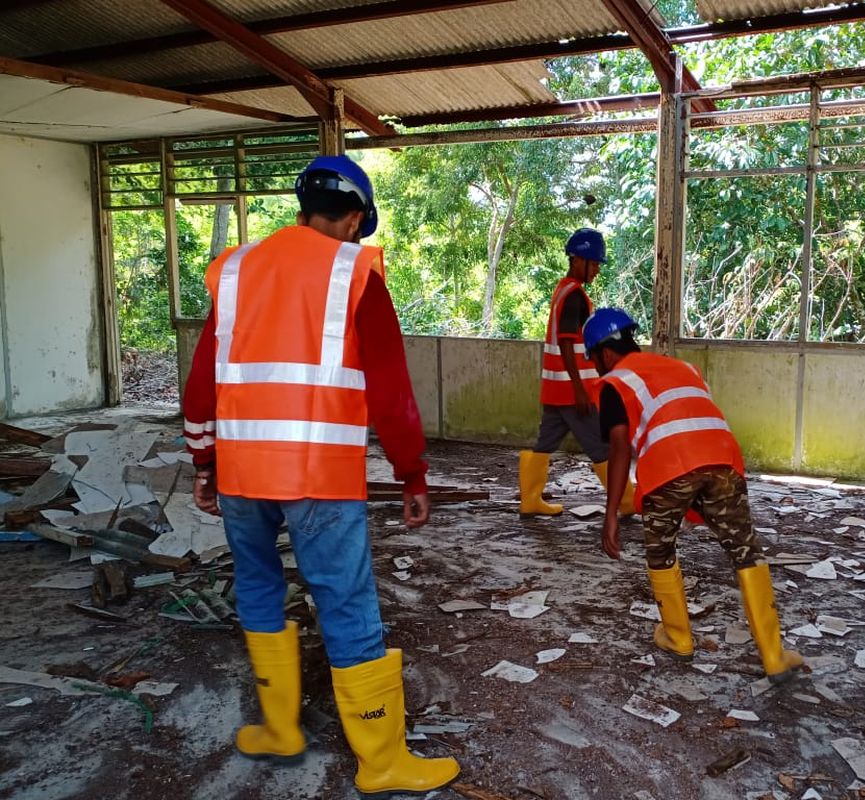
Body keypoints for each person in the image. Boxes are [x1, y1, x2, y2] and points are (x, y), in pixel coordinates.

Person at [182, 155, 459, 794]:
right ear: (357, 217)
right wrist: (412, 474)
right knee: (345, 600)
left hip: (240, 471)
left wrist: (203, 461)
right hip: (319, 474)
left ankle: (280, 729)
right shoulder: (356, 270)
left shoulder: (235, 269)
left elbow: (202, 385)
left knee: (256, 587)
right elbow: (391, 392)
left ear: (305, 205)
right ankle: (382, 761)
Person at [583, 308, 806, 683]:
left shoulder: (615, 383)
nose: (595, 368)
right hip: (722, 458)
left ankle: (678, 637)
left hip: (670, 466)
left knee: (661, 550)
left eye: (593, 360)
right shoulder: (683, 368)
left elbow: (620, 449)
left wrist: (611, 514)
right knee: (745, 551)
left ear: (604, 354)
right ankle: (773, 655)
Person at [518, 227, 634, 518]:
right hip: (573, 392)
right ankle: (627, 502)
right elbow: (568, 344)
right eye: (594, 263)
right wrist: (580, 389)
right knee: (601, 445)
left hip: (556, 390)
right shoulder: (575, 297)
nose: (596, 270)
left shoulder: (562, 290)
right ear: (577, 260)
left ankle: (530, 500)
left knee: (544, 444)